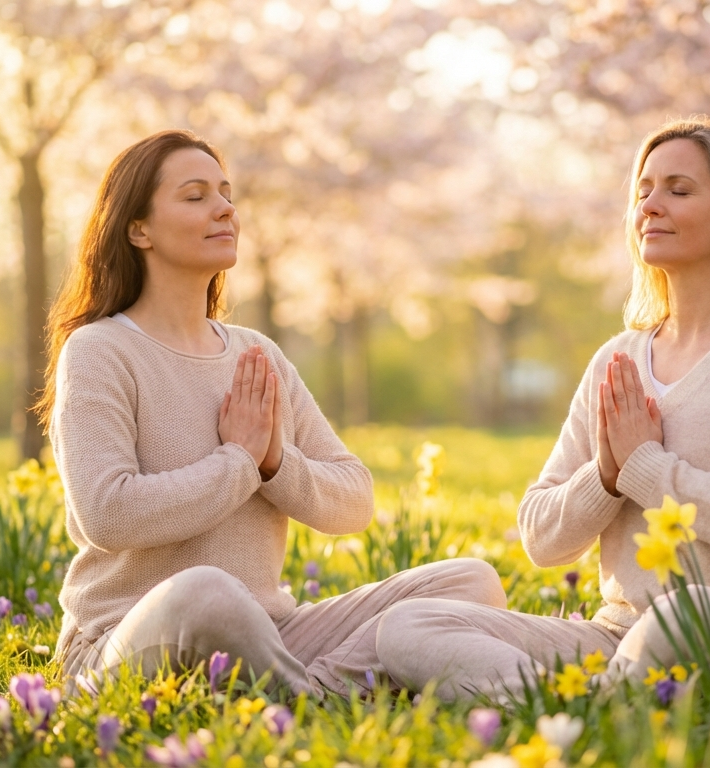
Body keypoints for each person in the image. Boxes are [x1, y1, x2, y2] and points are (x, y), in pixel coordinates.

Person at [376, 116, 710, 701]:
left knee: (683, 610)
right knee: (409, 624)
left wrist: (644, 468)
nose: (651, 205)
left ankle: (586, 710)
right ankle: (596, 699)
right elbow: (542, 538)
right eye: (643, 191)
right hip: (616, 639)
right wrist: (605, 474)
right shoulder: (617, 359)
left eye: (678, 189)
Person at [41, 129, 506, 697]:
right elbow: (107, 515)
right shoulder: (99, 351)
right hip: (128, 639)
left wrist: (273, 463)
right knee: (205, 592)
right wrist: (237, 460)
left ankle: (309, 687)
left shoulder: (256, 355)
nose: (224, 209)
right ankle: (316, 699)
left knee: (469, 582)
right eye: (196, 196)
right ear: (138, 228)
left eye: (226, 194)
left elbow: (354, 499)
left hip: (270, 632)